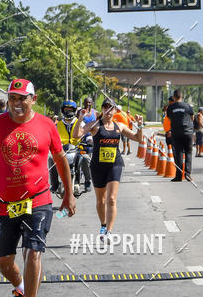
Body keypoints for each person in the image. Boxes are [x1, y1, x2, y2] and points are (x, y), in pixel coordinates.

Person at [0, 78, 75, 297]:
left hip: (38, 200)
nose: (17, 103)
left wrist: (68, 194)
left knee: (33, 251)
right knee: (3, 259)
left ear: (33, 99)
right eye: (12, 98)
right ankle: (19, 286)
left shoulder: (47, 125)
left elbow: (61, 159)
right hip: (5, 203)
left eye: (22, 98)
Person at [89, 100, 143, 238]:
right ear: (102, 109)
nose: (108, 109)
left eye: (110, 107)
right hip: (97, 166)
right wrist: (81, 119)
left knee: (112, 199)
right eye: (105, 107)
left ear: (115, 110)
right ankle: (103, 225)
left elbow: (138, 138)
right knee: (101, 200)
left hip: (115, 164)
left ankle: (109, 231)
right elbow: (77, 134)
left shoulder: (120, 125)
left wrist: (140, 125)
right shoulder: (96, 125)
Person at [50, 100, 83, 194]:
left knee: (84, 158)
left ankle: (84, 182)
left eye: (71, 109)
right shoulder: (57, 125)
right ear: (62, 110)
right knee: (51, 159)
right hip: (62, 149)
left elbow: (86, 132)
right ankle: (54, 184)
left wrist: (89, 139)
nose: (68, 111)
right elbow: (51, 136)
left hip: (77, 148)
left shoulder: (80, 122)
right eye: (66, 109)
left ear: (75, 111)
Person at [166, 89, 195, 181]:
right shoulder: (188, 106)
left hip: (176, 133)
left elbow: (169, 118)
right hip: (188, 132)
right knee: (188, 153)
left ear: (174, 97)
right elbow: (192, 118)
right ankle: (188, 174)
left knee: (178, 154)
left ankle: (178, 176)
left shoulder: (170, 107)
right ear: (182, 96)